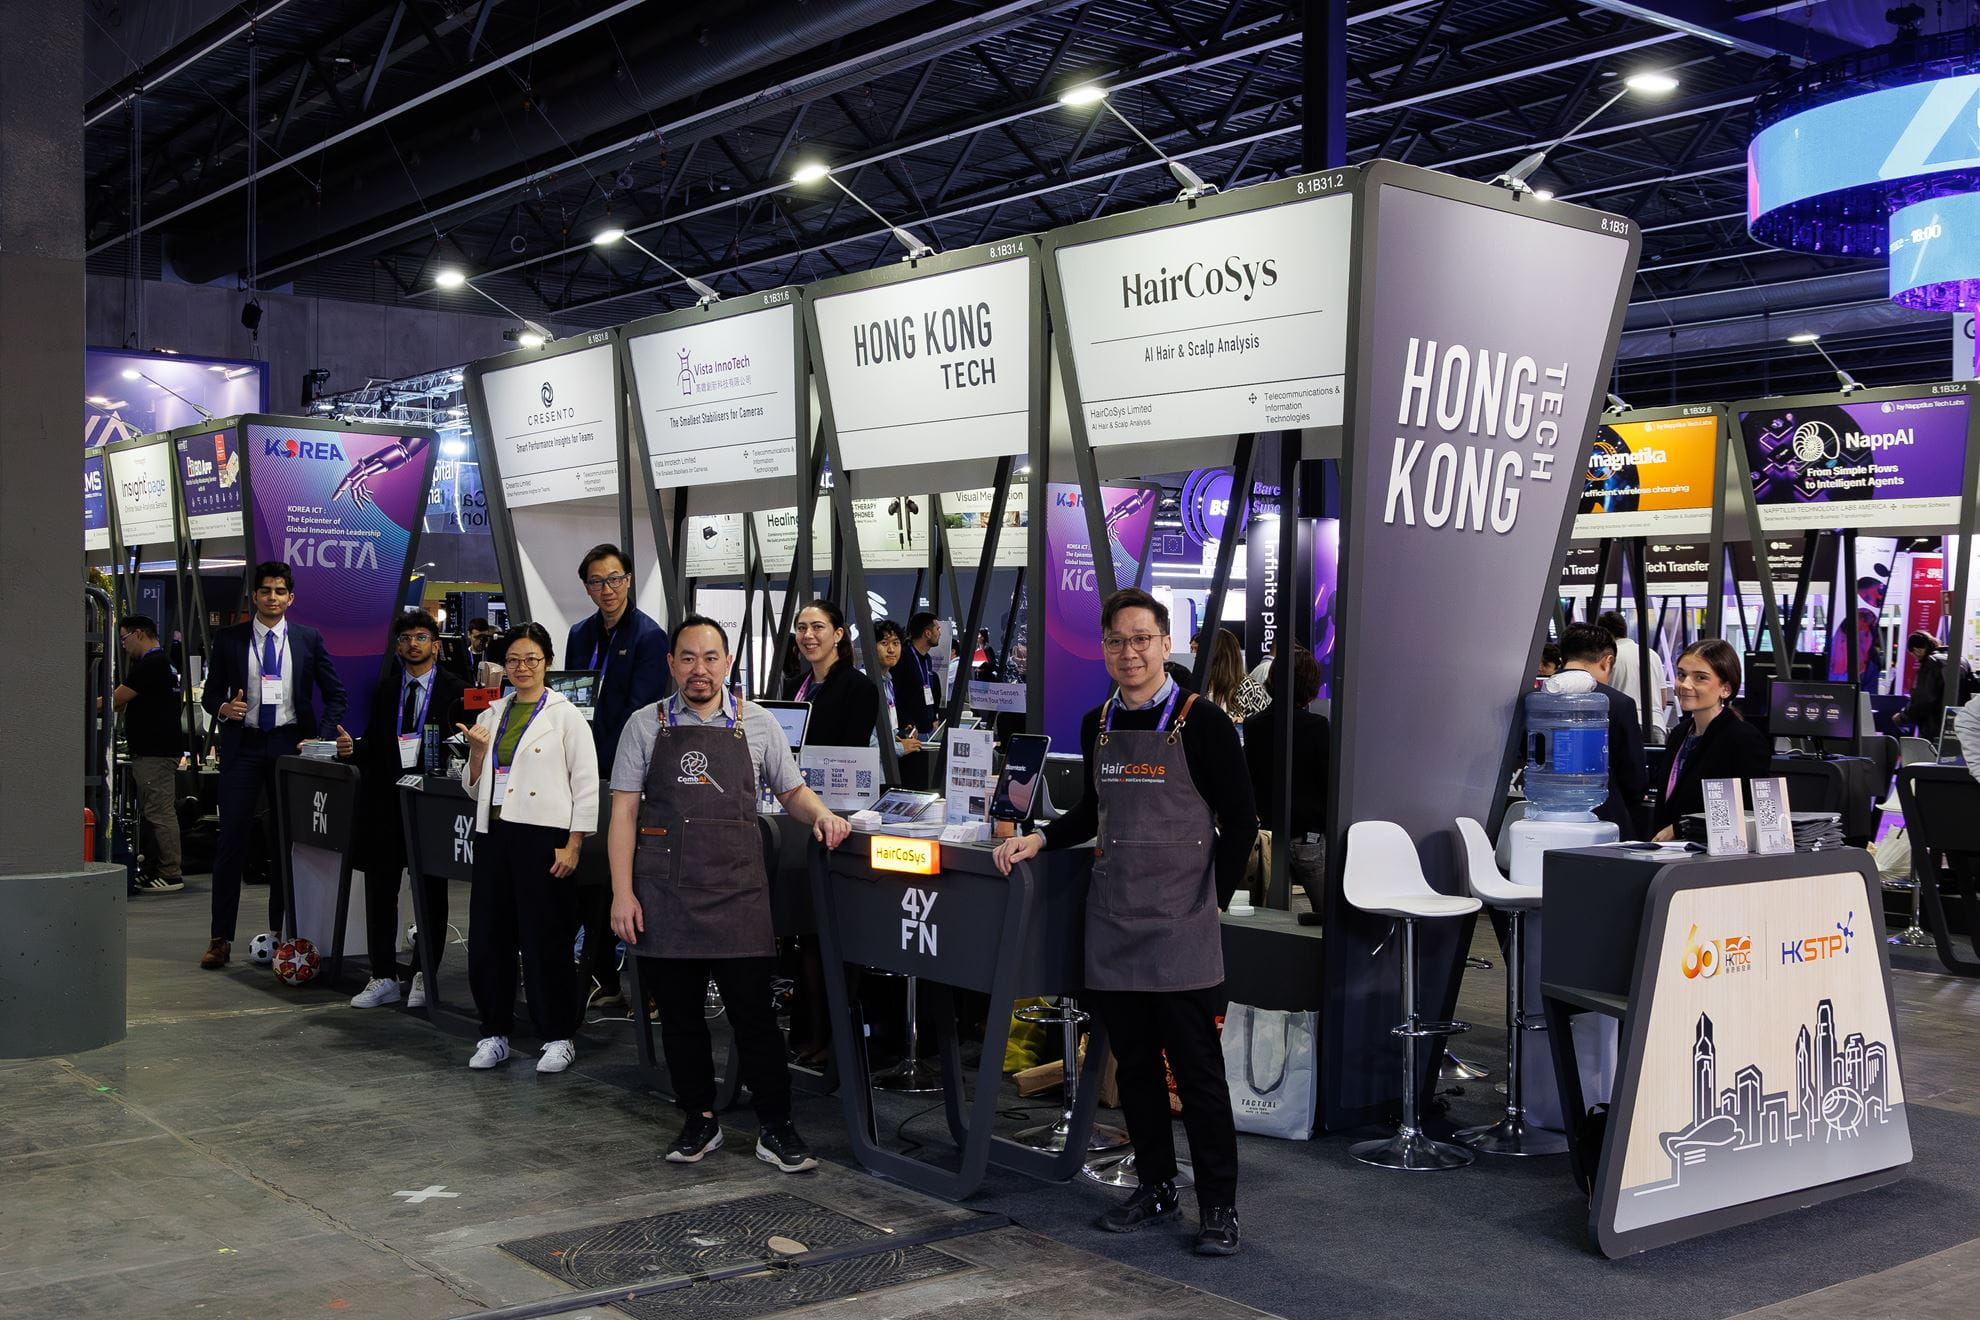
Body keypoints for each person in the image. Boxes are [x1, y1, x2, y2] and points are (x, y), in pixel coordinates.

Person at [994, 588, 1255, 1257]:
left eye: (1142, 639)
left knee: (1197, 1073)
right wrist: (1040, 839)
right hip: (1113, 920)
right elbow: (1092, 812)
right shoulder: (1098, 723)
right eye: (1116, 640)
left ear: (1166, 644)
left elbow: (1241, 823)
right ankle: (1156, 1186)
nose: (1129, 652)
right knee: (1134, 1067)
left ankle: (1219, 1207)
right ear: (1104, 648)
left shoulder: (1203, 722)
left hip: (1181, 924)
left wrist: (1214, 901)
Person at [608, 616, 852, 1173]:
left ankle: (776, 1127)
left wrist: (822, 815)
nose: (700, 669)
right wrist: (623, 893)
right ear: (671, 664)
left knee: (755, 1018)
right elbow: (622, 813)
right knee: (681, 1018)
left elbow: (792, 790)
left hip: (739, 892)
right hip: (665, 893)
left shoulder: (758, 723)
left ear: (727, 663)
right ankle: (699, 1118)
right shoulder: (644, 726)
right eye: (688, 658)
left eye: (711, 657)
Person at [458, 623, 598, 1073]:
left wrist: (573, 844)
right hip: (495, 834)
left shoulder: (565, 715)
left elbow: (586, 785)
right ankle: (494, 1032)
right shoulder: (491, 714)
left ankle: (558, 1035)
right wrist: (476, 754)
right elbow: (472, 788)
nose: (522, 668)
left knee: (545, 939)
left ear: (547, 663)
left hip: (544, 838)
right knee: (489, 937)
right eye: (513, 660)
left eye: (531, 659)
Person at [198, 563, 346, 968]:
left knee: (285, 841)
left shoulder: (307, 639)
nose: (272, 597)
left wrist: (320, 737)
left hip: (288, 746)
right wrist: (224, 708)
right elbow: (210, 695)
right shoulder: (230, 639)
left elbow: (336, 694)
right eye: (265, 591)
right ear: (255, 597)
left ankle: (282, 932)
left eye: (280, 591)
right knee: (231, 840)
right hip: (242, 746)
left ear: (290, 598)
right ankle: (219, 938)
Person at [336, 610, 467, 1010]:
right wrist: (352, 750)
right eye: (407, 637)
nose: (414, 644)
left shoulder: (457, 691)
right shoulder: (385, 690)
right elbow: (376, 746)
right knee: (381, 890)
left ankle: (425, 973)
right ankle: (383, 976)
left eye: (422, 637)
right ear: (397, 646)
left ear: (436, 646)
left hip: (431, 804)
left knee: (430, 893)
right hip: (386, 803)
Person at [566, 544, 671, 1010]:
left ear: (628, 580)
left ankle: (648, 991)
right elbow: (572, 700)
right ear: (586, 587)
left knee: (630, 880)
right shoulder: (579, 634)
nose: (606, 589)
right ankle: (603, 979)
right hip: (582, 772)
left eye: (614, 579)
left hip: (625, 775)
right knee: (589, 880)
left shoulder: (649, 636)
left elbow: (639, 715)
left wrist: (596, 760)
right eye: (596, 582)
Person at [1515, 623, 1648, 838]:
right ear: (1607, 661)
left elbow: (1526, 753)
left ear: (1564, 656)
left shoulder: (1535, 699)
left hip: (1542, 814)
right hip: (1603, 815)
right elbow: (1633, 776)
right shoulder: (1618, 703)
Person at [1650, 638, 1772, 841]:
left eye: (1700, 678)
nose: (1685, 685)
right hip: (1669, 850)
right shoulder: (1680, 733)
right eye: (1681, 675)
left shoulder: (1743, 738)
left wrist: (1682, 828)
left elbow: (1749, 812)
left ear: (1726, 689)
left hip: (1713, 850)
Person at [1243, 646, 1330, 908]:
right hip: (1308, 836)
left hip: (1267, 837)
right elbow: (1328, 783)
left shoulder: (1254, 725)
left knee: (1268, 919)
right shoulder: (1318, 727)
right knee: (1328, 917)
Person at [113, 615, 186, 894]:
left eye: (124, 639)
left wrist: (81, 705)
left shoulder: (151, 664)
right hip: (157, 750)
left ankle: (170, 873)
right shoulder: (163, 663)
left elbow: (117, 699)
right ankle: (157, 868)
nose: (124, 646)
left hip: (155, 753)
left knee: (159, 812)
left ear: (138, 634)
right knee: (155, 811)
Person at [782, 600, 880, 747]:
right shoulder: (793, 686)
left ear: (838, 634)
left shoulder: (859, 687)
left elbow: (855, 747)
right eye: (801, 628)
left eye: (817, 627)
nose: (807, 634)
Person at [1599, 610, 1668, 741]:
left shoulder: (1606, 658)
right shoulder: (1652, 655)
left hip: (1622, 724)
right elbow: (1663, 701)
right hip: (1655, 724)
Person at [872, 620, 926, 759]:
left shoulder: (888, 682)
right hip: (871, 765)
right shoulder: (866, 684)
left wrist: (896, 736)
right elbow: (863, 737)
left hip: (886, 763)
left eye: (896, 643)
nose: (891, 650)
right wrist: (898, 748)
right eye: (884, 643)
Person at [1827, 576, 1887, 693]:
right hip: (1846, 672)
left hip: (1862, 669)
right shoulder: (1844, 626)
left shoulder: (1869, 623)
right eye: (1868, 597)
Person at [1899, 631, 1954, 740]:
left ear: (1917, 650)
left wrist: (1903, 717)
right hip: (1957, 724)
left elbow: (1922, 698)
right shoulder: (1957, 659)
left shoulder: (1930, 663)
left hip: (1935, 726)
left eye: (1913, 655)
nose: (1916, 659)